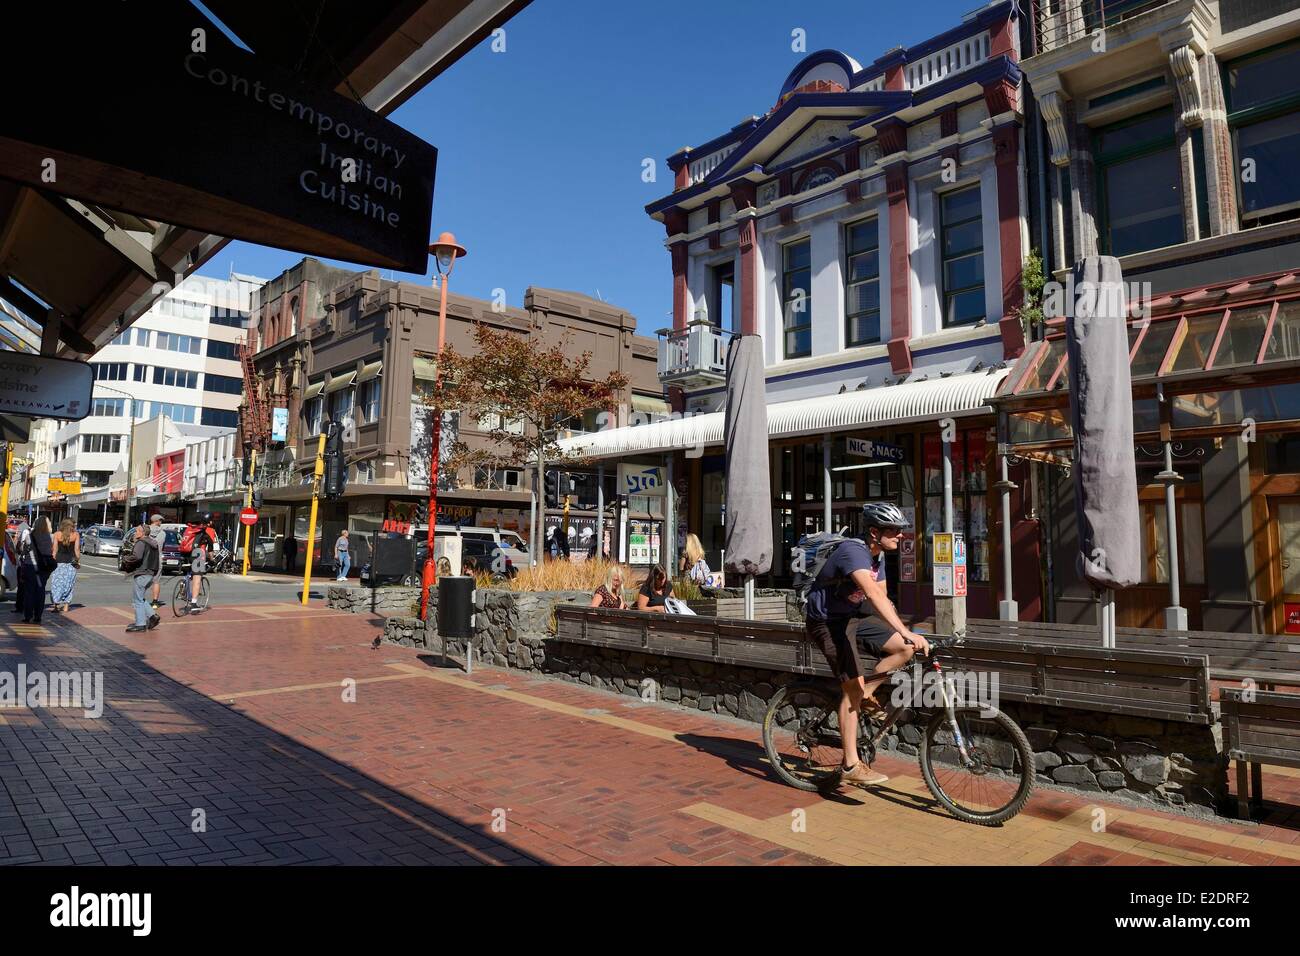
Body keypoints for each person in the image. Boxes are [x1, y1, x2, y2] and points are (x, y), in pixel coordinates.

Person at [804, 501, 930, 789]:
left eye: (901, 530)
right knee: (853, 689)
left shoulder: (878, 557)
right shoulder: (853, 551)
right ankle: (849, 764)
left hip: (854, 617)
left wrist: (904, 634)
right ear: (874, 532)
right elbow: (872, 593)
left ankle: (865, 695)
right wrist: (906, 630)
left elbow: (882, 599)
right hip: (827, 621)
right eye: (894, 530)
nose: (901, 535)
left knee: (903, 649)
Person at [124, 520, 161, 632]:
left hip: (142, 573)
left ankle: (140, 624)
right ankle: (153, 616)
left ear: (142, 532)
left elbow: (137, 557)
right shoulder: (153, 543)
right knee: (139, 598)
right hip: (150, 573)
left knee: (137, 600)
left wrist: (125, 559)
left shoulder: (141, 543)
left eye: (136, 531)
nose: (135, 533)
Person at [181, 514, 219, 612]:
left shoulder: (188, 529)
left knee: (189, 573)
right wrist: (212, 559)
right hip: (198, 554)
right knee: (197, 578)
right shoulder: (208, 530)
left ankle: (184, 582)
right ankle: (193, 604)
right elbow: (210, 548)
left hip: (185, 554)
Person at [48, 519, 81, 613]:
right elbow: (77, 549)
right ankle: (66, 606)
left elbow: (54, 550)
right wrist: (78, 561)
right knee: (69, 584)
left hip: (58, 562)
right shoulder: (76, 535)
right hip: (71, 563)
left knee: (57, 584)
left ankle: (56, 606)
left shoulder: (57, 534)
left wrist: (52, 561)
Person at [148, 514, 167, 609]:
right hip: (157, 558)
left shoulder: (145, 530)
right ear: (157, 521)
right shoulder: (162, 533)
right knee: (156, 580)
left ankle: (140, 599)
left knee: (143, 579)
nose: (161, 523)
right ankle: (155, 602)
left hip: (146, 558)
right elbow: (161, 546)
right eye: (160, 521)